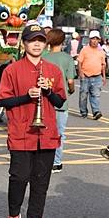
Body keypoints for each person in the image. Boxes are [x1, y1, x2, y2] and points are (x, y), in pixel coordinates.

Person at [0, 24, 66, 218]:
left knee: (41, 181)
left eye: (40, 40)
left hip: (46, 135)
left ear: (45, 43)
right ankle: (12, 217)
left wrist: (48, 90)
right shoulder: (12, 69)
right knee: (18, 177)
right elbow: (3, 100)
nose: (36, 44)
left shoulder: (53, 70)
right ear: (24, 43)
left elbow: (60, 101)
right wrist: (27, 96)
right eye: (31, 40)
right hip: (21, 132)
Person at [43, 29, 76, 173]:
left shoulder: (43, 56)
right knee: (59, 133)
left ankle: (43, 160)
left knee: (43, 132)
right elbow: (70, 81)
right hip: (62, 102)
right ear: (63, 41)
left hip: (44, 100)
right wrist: (72, 90)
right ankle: (56, 162)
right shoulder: (67, 58)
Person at [77, 30, 105, 120]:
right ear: (90, 39)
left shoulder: (101, 51)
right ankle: (83, 111)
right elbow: (79, 62)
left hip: (97, 76)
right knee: (83, 95)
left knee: (95, 95)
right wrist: (81, 73)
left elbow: (103, 65)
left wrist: (103, 76)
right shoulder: (84, 50)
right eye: (93, 39)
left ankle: (96, 111)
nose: (95, 41)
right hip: (85, 76)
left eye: (97, 39)